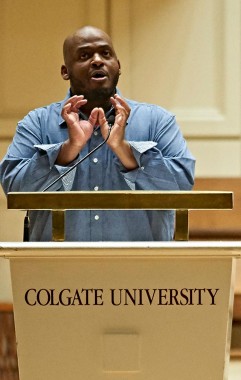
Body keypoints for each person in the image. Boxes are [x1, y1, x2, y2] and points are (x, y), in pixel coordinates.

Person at [0, 26, 195, 242]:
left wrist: (125, 151)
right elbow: (14, 191)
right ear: (66, 71)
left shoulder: (157, 120)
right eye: (84, 55)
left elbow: (182, 186)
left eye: (106, 53)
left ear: (118, 66)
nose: (97, 60)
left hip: (141, 268)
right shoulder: (36, 123)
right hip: (57, 269)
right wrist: (68, 150)